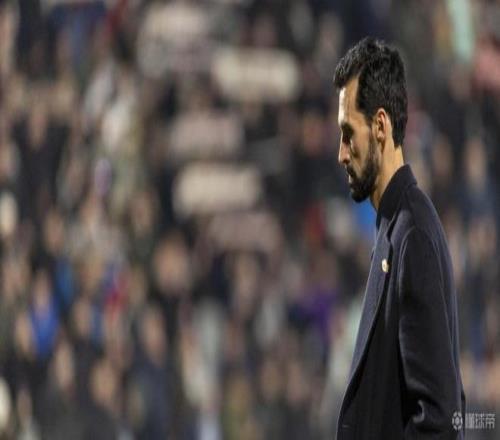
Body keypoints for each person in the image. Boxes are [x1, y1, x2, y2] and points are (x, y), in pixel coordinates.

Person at [333, 37, 465, 439]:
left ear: (380, 126)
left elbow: (439, 418)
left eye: (348, 133)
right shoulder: (395, 228)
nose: (341, 153)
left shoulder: (413, 235)